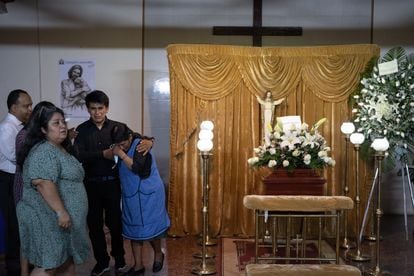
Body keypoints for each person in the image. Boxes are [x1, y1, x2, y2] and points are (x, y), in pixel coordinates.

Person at [74, 90, 153, 276]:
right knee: (94, 225)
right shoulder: (82, 130)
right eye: (93, 109)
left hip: (113, 184)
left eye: (100, 108)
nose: (97, 112)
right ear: (88, 109)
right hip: (90, 185)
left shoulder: (118, 127)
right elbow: (78, 155)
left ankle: (120, 260)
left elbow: (137, 138)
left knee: (116, 224)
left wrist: (150, 142)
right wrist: (103, 155)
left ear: (107, 108)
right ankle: (101, 262)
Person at [16, 104, 90, 275]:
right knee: (50, 264)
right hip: (49, 219)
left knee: (65, 260)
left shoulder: (59, 147)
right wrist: (61, 212)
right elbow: (43, 183)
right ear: (43, 129)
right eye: (56, 123)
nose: (63, 126)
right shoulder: (44, 151)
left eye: (63, 121)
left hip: (64, 223)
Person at [111, 124, 170, 275]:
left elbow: (139, 169)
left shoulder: (141, 145)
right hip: (131, 194)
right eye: (117, 145)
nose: (121, 148)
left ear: (129, 137)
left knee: (152, 230)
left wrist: (122, 155)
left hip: (149, 194)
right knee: (134, 228)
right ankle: (138, 266)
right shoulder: (120, 144)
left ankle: (158, 254)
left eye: (123, 144)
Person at [0, 89, 33, 276]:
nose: (30, 109)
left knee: (22, 223)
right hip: (8, 180)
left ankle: (23, 264)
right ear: (14, 107)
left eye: (30, 105)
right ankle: (13, 267)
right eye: (26, 105)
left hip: (17, 178)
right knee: (14, 224)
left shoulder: (20, 126)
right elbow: (16, 157)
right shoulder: (6, 128)